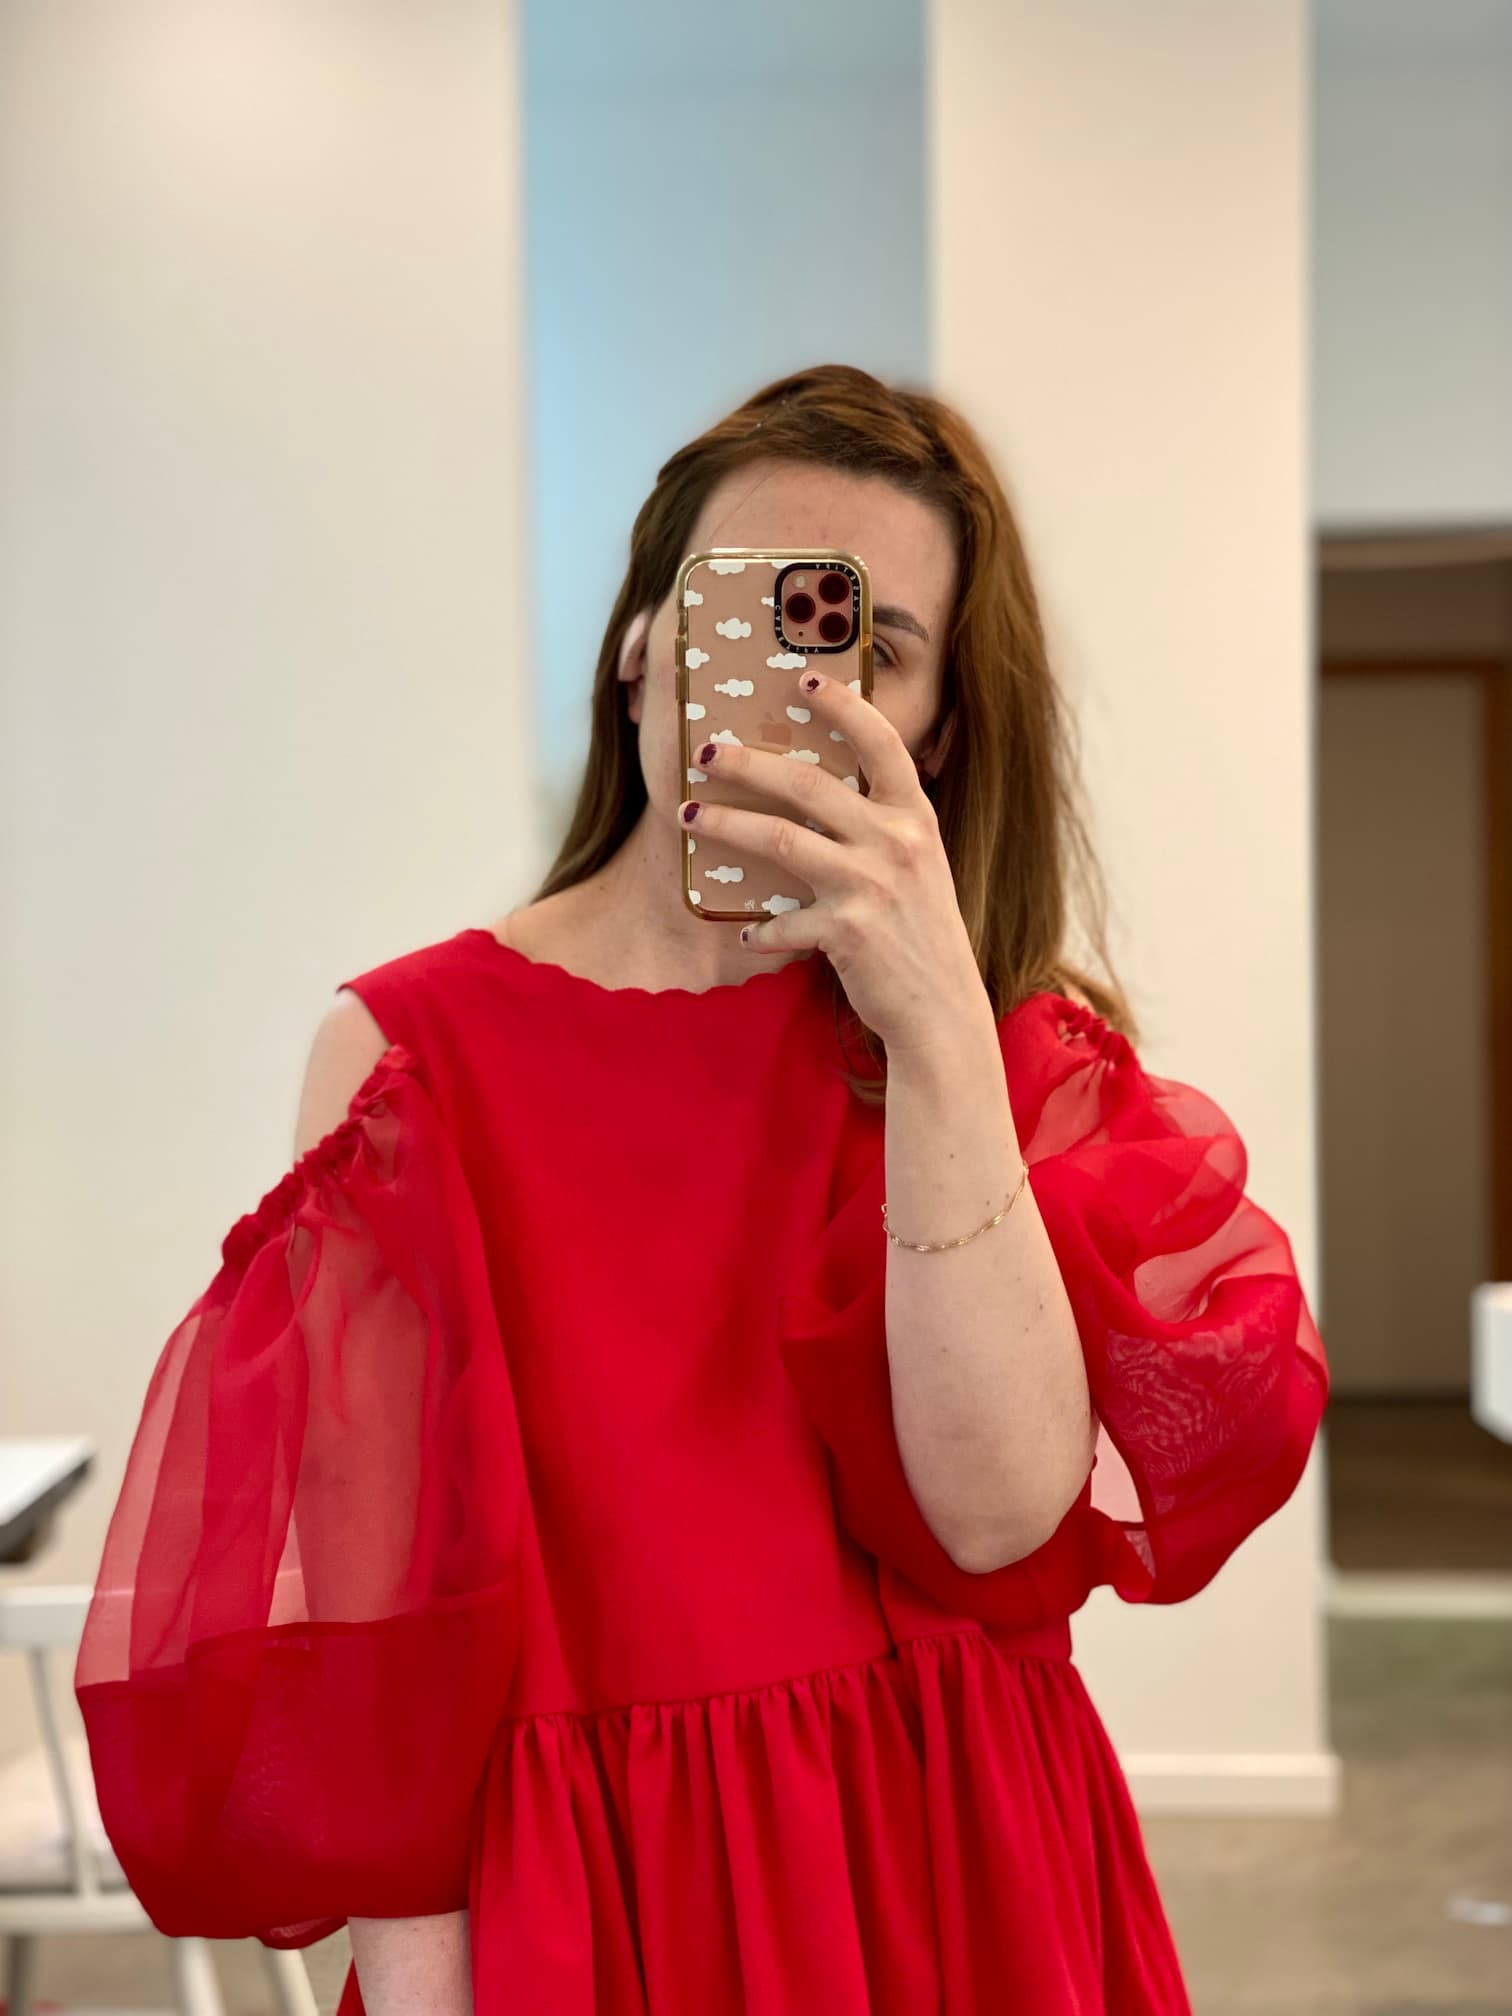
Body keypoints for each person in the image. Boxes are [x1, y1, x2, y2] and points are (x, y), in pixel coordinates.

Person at [75, 364, 1329, 2015]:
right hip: (605, 1907)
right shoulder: (410, 1058)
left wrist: (937, 1024)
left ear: (937, 730)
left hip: (964, 1871)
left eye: (869, 649)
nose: (797, 692)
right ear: (642, 642)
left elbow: (999, 1507)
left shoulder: (1000, 1046)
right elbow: (386, 1664)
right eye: (757, 612)